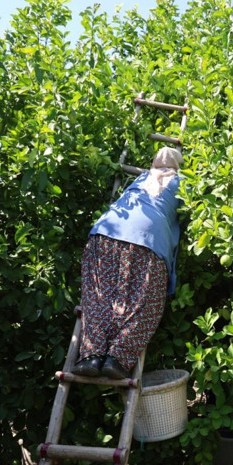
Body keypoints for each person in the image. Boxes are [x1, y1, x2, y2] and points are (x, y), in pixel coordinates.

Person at [72, 146, 183, 380]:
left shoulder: (141, 178)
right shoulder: (182, 182)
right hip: (148, 240)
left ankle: (92, 355)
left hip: (105, 232)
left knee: (97, 295)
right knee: (146, 302)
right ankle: (117, 358)